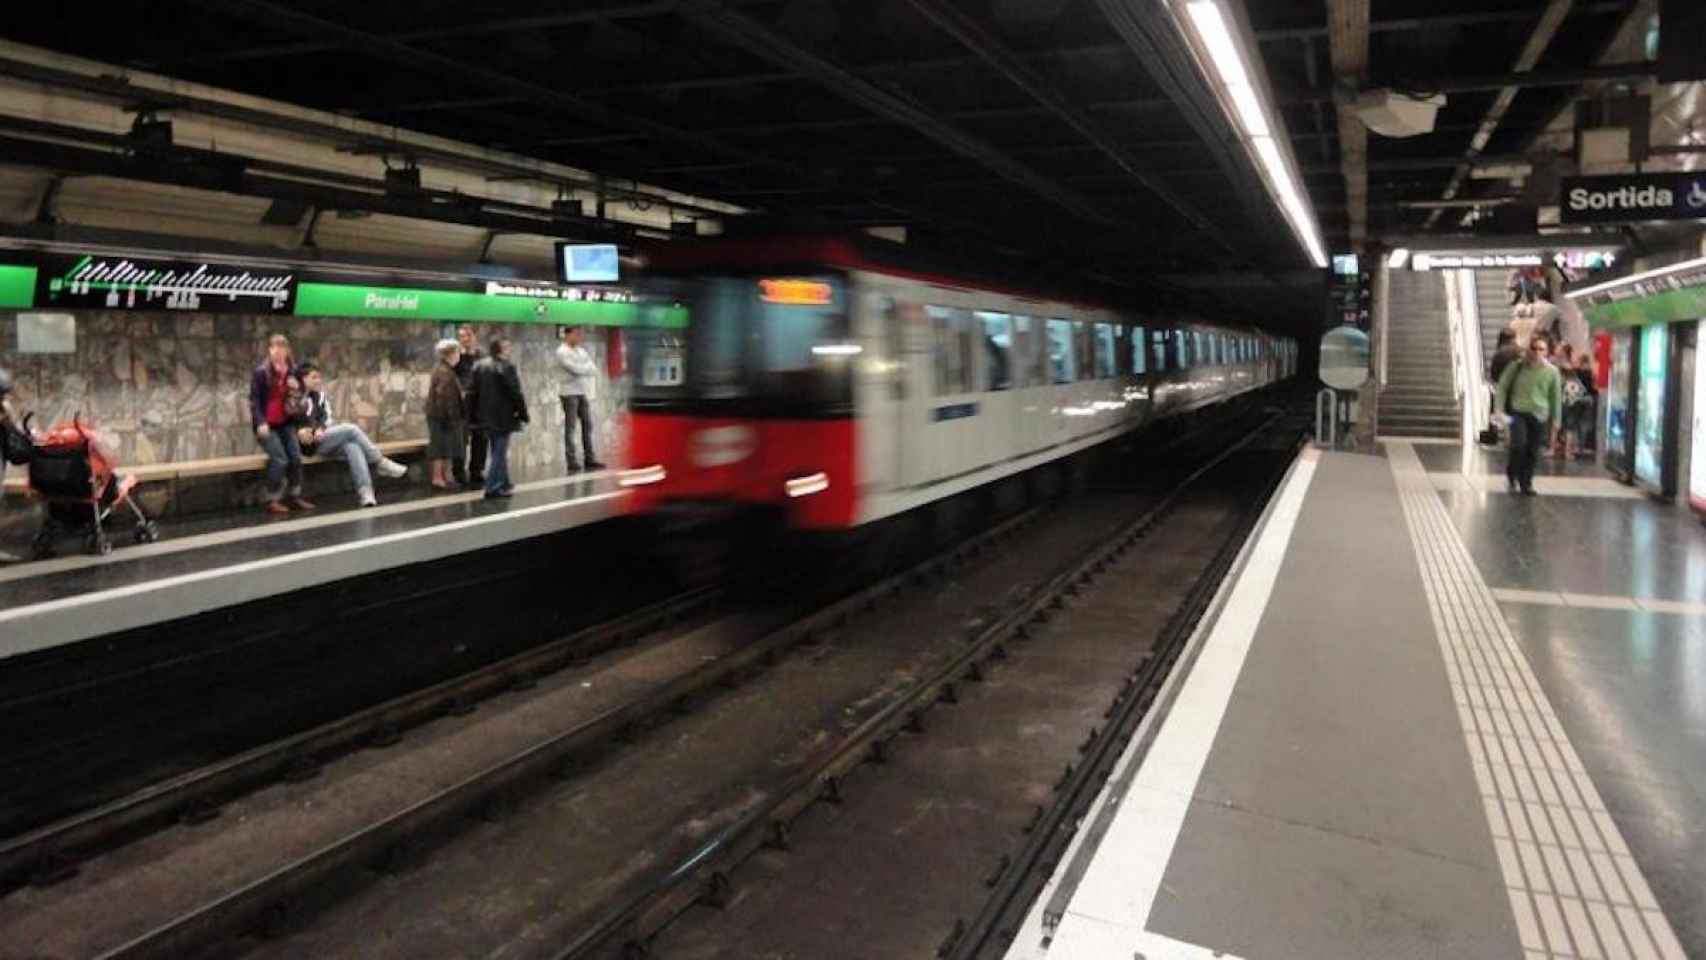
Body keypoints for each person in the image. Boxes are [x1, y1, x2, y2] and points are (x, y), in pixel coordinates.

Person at [295, 364, 409, 507]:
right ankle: (380, 462)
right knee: (351, 429)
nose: (318, 381)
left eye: (319, 377)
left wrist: (320, 428)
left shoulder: (318, 396)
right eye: (314, 377)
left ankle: (366, 493)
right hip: (303, 443)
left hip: (320, 439)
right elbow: (293, 420)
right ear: (303, 379)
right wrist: (303, 431)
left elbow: (326, 418)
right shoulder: (296, 397)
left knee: (353, 447)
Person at [250, 333, 313, 515]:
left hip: (286, 423)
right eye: (273, 347)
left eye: (281, 347)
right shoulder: (261, 373)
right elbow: (255, 400)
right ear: (269, 350)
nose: (277, 351)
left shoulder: (293, 372)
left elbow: (300, 401)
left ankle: (295, 495)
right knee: (279, 459)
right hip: (267, 425)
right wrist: (260, 422)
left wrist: (302, 426)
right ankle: (273, 498)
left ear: (287, 351)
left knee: (295, 457)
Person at [1496, 334, 1564, 497]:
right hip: (1518, 411)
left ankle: (1526, 482)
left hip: (1540, 414)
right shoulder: (1517, 366)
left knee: (1533, 450)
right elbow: (1503, 386)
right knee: (1519, 444)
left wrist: (1556, 420)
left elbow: (1555, 397)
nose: (1537, 352)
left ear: (1547, 352)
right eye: (1534, 348)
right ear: (1529, 349)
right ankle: (1512, 472)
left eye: (1541, 349)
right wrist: (1499, 408)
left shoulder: (1552, 372)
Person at [468, 336, 529, 499]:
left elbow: (471, 393)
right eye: (507, 346)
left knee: (497, 449)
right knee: (499, 452)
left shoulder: (479, 366)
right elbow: (516, 393)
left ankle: (504, 482)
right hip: (503, 417)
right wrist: (523, 414)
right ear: (501, 349)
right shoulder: (507, 367)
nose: (510, 349)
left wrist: (471, 416)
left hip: (484, 416)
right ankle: (492, 487)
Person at [555, 326, 605, 473]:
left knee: (587, 425)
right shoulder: (561, 352)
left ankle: (589, 458)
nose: (579, 337)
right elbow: (575, 370)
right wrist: (583, 368)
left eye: (580, 334)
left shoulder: (581, 351)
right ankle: (571, 461)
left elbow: (593, 368)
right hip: (568, 393)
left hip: (581, 392)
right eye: (576, 334)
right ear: (568, 335)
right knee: (570, 428)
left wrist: (583, 369)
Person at [425, 339, 465, 491]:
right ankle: (438, 478)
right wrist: (451, 417)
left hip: (438, 415)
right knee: (441, 448)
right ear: (452, 354)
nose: (459, 356)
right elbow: (444, 397)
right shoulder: (445, 372)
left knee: (444, 448)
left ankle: (445, 477)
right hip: (442, 417)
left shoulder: (442, 369)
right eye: (458, 353)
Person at [451, 325, 487, 487]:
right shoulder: (456, 357)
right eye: (461, 336)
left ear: (474, 337)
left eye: (467, 336)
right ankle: (459, 473)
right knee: (460, 438)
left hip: (480, 402)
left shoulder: (482, 356)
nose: (464, 339)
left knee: (481, 438)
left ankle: (477, 470)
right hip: (462, 402)